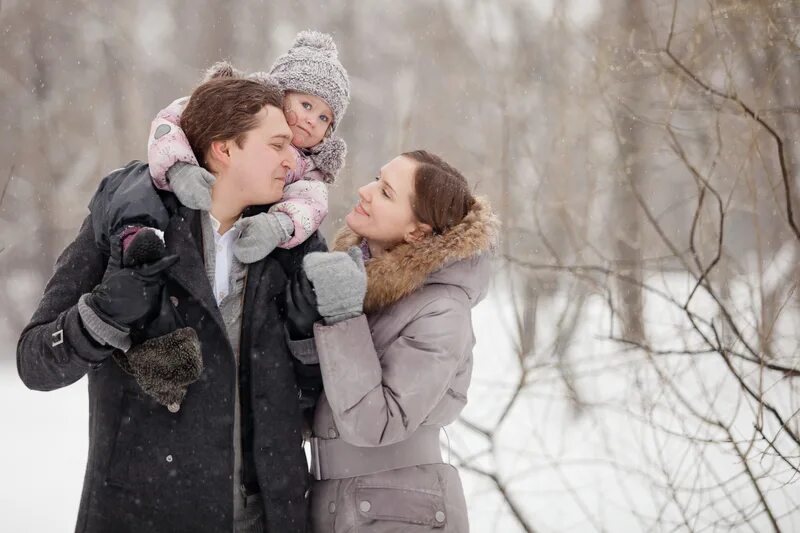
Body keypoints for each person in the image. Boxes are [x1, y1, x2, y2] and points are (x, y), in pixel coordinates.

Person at [17, 76, 325, 532]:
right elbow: (35, 362)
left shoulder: (295, 242)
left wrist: (307, 341)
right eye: (277, 144)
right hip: (142, 512)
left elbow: (316, 398)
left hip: (264, 518)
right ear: (224, 149)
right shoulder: (130, 220)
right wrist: (100, 316)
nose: (292, 160)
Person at [285, 150, 499, 532]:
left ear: (417, 231)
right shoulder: (363, 285)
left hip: (399, 511)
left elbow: (375, 424)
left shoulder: (443, 310)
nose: (365, 191)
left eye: (385, 192)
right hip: (335, 500)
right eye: (376, 179)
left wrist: (342, 316)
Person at [117, 30, 349, 267]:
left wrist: (277, 225)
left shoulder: (310, 169)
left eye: (324, 118)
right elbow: (173, 120)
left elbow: (311, 205)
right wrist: (179, 168)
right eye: (306, 105)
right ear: (280, 92)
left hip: (246, 234)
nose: (312, 120)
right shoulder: (242, 111)